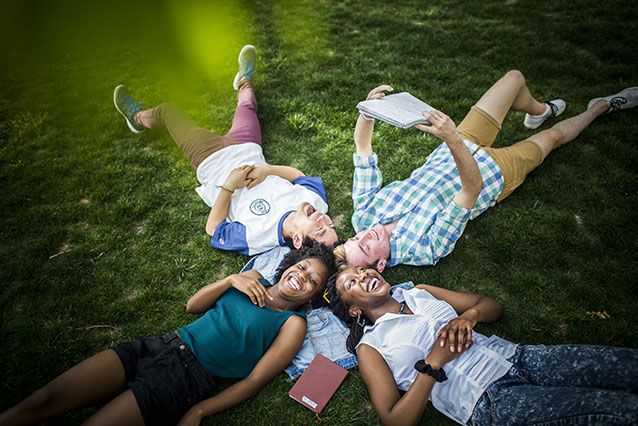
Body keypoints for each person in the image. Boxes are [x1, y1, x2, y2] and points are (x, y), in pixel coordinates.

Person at [0, 242, 336, 426]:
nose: (302, 276)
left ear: (311, 297)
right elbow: (193, 306)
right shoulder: (253, 279)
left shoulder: (292, 323)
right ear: (291, 262)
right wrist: (230, 279)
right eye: (303, 266)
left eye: (313, 281)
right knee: (44, 399)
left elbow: (253, 382)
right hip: (156, 345)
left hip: (184, 380)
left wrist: (200, 410)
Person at [334, 71, 637, 270]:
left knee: (514, 78)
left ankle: (539, 110)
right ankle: (601, 107)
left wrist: (369, 111)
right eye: (367, 246)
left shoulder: (363, 215)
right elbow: (471, 189)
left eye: (356, 238)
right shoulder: (424, 249)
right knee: (553, 139)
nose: (366, 235)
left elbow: (363, 153)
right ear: (382, 263)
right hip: (495, 173)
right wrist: (451, 137)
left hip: (457, 143)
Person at [326, 266, 638, 425]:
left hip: (519, 356)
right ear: (354, 310)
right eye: (352, 282)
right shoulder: (370, 347)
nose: (363, 274)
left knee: (622, 365)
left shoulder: (419, 292)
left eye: (361, 270)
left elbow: (492, 305)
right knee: (617, 411)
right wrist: (433, 364)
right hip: (489, 400)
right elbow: (394, 419)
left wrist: (469, 317)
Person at [113, 45, 339, 256]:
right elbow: (299, 176)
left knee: (167, 111)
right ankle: (244, 79)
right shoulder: (318, 203)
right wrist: (267, 170)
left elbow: (214, 228)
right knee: (247, 104)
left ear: (297, 240)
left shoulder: (257, 237)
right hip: (247, 147)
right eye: (329, 224)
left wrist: (229, 186)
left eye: (319, 230)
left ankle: (136, 118)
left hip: (210, 160)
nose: (323, 219)